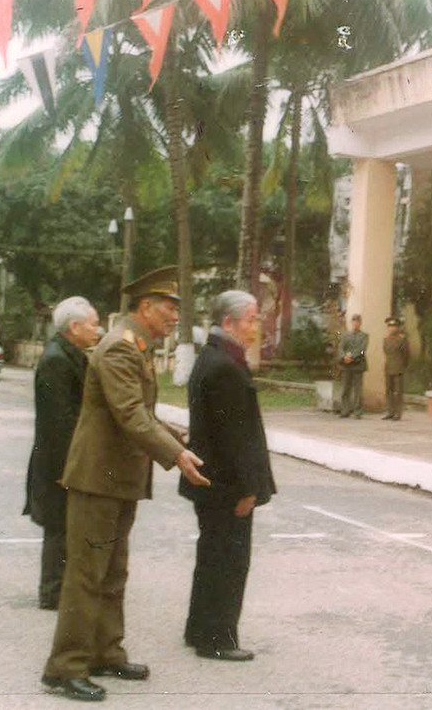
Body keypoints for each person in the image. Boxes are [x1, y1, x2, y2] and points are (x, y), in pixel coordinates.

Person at [41, 266, 210, 703]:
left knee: (113, 571)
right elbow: (131, 415)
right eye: (170, 308)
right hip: (99, 479)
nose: (176, 316)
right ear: (146, 306)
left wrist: (176, 439)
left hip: (116, 479)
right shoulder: (119, 348)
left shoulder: (135, 346)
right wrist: (175, 454)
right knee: (86, 573)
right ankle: (66, 667)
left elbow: (142, 414)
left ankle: (105, 652)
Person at [180, 290, 276, 662]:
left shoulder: (214, 358)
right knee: (228, 561)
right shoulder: (225, 366)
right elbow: (235, 438)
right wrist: (248, 489)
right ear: (230, 323)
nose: (256, 327)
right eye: (251, 319)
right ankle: (216, 638)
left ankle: (199, 628)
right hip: (227, 486)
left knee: (211, 556)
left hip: (212, 483)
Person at [24, 296, 101, 610]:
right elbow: (59, 423)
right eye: (94, 324)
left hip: (66, 458)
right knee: (58, 525)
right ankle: (52, 592)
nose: (99, 329)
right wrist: (69, 469)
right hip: (59, 460)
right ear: (75, 326)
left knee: (66, 525)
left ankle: (59, 586)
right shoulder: (57, 359)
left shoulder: (72, 354)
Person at [337, 314, 368, 418]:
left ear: (360, 323)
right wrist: (344, 357)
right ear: (351, 323)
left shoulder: (364, 336)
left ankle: (357, 411)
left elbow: (362, 349)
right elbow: (341, 347)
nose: (355, 324)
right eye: (354, 321)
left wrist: (352, 357)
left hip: (358, 365)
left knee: (357, 390)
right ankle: (345, 410)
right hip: (346, 365)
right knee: (345, 388)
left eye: (357, 322)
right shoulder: (346, 335)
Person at [381, 317, 409, 421]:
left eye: (394, 327)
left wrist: (403, 366)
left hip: (398, 368)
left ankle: (398, 413)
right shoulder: (386, 339)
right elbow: (386, 352)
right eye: (390, 326)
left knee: (398, 392)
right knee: (389, 391)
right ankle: (390, 412)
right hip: (388, 367)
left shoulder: (402, 339)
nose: (392, 329)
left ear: (397, 328)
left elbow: (406, 355)